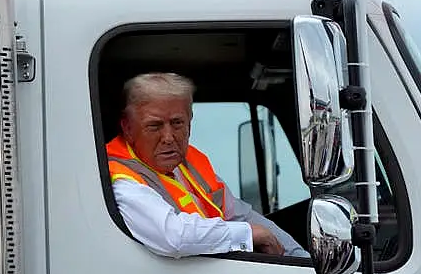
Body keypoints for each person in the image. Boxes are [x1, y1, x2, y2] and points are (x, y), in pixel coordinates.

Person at [106, 72, 310, 259]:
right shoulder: (120, 178)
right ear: (128, 127)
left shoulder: (188, 165)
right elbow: (173, 237)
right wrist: (248, 234)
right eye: (154, 126)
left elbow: (243, 215)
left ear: (190, 121)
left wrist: (301, 259)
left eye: (177, 123)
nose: (168, 137)